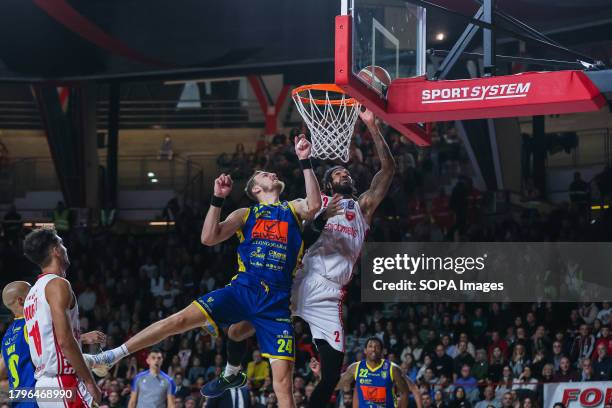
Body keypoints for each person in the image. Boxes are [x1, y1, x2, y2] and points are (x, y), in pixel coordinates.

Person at [89, 135, 321, 408]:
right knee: (177, 321)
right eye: (263, 175)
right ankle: (112, 356)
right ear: (256, 189)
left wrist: (305, 160)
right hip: (242, 291)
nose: (271, 173)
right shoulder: (245, 214)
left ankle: (231, 373)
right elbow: (209, 238)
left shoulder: (293, 208)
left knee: (283, 385)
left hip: (276, 304)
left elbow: (315, 204)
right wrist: (217, 199)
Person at [228, 109, 395, 406]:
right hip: (302, 281)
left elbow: (388, 170)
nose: (344, 173)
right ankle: (232, 371)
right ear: (328, 184)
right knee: (239, 330)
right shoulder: (315, 204)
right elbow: (296, 238)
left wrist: (371, 126)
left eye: (346, 172)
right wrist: (319, 220)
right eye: (336, 173)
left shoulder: (363, 207)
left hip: (330, 295)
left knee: (331, 375)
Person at [22, 227, 106, 407]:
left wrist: (81, 337)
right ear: (56, 250)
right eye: (61, 243)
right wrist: (90, 382)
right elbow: (64, 341)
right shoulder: (57, 284)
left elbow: (48, 339)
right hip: (63, 382)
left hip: (44, 387)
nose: (65, 248)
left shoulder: (32, 294)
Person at [337, 337, 413, 408]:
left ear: (382, 351)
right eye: (370, 346)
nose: (373, 349)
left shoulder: (393, 369)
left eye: (377, 347)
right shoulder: (355, 367)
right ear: (365, 350)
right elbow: (337, 384)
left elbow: (405, 392)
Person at [1, 281, 37, 408]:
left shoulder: (7, 336)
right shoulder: (30, 325)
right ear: (21, 300)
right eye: (32, 293)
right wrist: (82, 338)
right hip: (38, 400)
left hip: (19, 403)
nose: (36, 296)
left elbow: (2, 371)